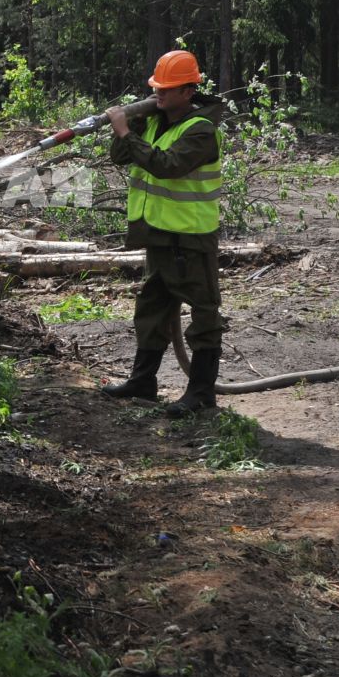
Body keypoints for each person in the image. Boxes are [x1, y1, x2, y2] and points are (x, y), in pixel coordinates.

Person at [99, 49, 227, 415]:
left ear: (188, 92)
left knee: (203, 314)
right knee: (152, 309)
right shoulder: (156, 121)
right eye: (157, 88)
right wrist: (132, 126)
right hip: (158, 234)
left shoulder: (201, 130)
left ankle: (202, 394)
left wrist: (126, 130)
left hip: (190, 237)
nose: (159, 94)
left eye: (167, 90)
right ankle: (143, 382)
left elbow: (167, 166)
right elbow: (121, 157)